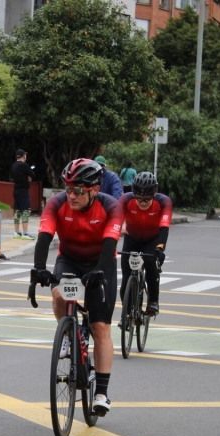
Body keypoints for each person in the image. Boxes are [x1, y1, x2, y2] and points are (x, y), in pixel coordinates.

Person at [32, 158, 124, 416]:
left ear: (94, 190)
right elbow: (44, 236)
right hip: (70, 258)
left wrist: (98, 271)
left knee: (100, 327)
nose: (70, 195)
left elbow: (110, 243)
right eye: (67, 188)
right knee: (59, 294)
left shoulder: (111, 206)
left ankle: (102, 393)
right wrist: (39, 267)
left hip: (100, 262)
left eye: (78, 190)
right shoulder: (57, 203)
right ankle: (71, 335)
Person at [118, 171, 172, 316]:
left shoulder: (164, 202)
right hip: (132, 239)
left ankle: (153, 301)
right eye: (139, 198)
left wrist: (160, 247)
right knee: (126, 276)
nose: (142, 202)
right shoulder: (125, 200)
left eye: (146, 199)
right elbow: (116, 223)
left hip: (152, 239)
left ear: (155, 192)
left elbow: (164, 226)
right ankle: (127, 314)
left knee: (150, 261)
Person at [10, 149, 36, 240]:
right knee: (26, 210)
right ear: (24, 156)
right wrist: (28, 178)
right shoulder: (24, 165)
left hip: (16, 190)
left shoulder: (14, 165)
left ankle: (16, 232)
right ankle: (25, 233)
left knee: (17, 211)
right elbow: (33, 174)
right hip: (24, 191)